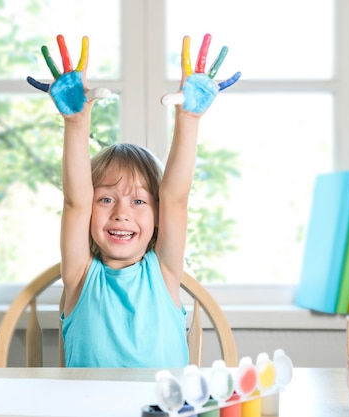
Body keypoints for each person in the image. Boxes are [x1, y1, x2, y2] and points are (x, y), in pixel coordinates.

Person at [27, 34, 240, 367]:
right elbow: (75, 202)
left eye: (139, 202)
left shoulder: (165, 271)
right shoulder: (80, 275)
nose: (122, 214)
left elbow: (175, 199)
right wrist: (76, 122)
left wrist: (188, 120)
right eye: (107, 199)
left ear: (158, 215)